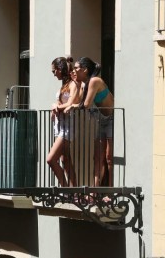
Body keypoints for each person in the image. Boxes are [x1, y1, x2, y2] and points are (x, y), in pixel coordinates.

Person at [65, 57, 115, 187]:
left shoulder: (94, 81)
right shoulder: (85, 83)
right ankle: (95, 191)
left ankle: (110, 190)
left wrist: (72, 107)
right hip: (101, 121)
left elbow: (85, 105)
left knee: (109, 158)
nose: (74, 71)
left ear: (85, 69)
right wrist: (76, 84)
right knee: (98, 158)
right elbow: (79, 100)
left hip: (111, 121)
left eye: (76, 68)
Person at [47, 56, 81, 187]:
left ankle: (65, 188)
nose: (54, 74)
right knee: (65, 159)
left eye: (54, 71)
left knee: (50, 159)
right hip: (60, 125)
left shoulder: (73, 85)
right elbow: (62, 102)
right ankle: (74, 191)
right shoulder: (64, 85)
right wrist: (55, 107)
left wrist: (56, 107)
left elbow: (71, 103)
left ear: (60, 69)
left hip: (68, 126)